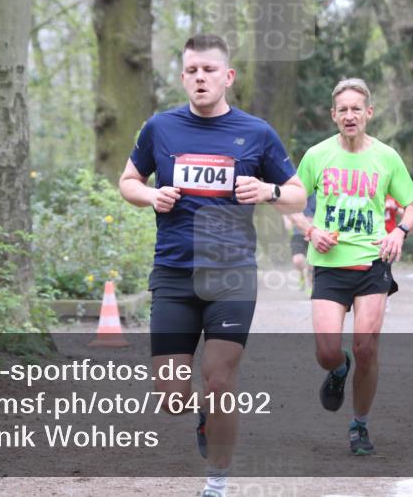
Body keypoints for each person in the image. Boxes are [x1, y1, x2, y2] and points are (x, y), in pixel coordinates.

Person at [119, 34, 305, 497]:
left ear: (228, 76)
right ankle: (203, 416)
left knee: (220, 378)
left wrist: (270, 191)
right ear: (183, 77)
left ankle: (216, 483)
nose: (200, 77)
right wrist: (150, 196)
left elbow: (300, 194)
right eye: (192, 71)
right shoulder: (159, 129)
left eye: (208, 70)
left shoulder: (257, 133)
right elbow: (127, 181)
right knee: (172, 397)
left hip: (232, 274)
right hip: (174, 274)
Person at [291, 78, 413, 456]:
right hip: (330, 266)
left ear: (369, 113)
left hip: (372, 264)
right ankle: (338, 368)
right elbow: (291, 204)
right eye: (342, 110)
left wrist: (398, 233)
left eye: (356, 109)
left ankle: (359, 425)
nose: (349, 115)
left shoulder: (386, 156)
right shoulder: (317, 155)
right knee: (327, 351)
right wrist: (311, 231)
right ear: (334, 115)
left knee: (367, 347)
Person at [283, 194, 316, 293]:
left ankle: (310, 286)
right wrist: (287, 219)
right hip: (298, 233)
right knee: (298, 260)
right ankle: (301, 275)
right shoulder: (296, 191)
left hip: (314, 233)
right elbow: (284, 206)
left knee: (311, 263)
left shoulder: (317, 192)